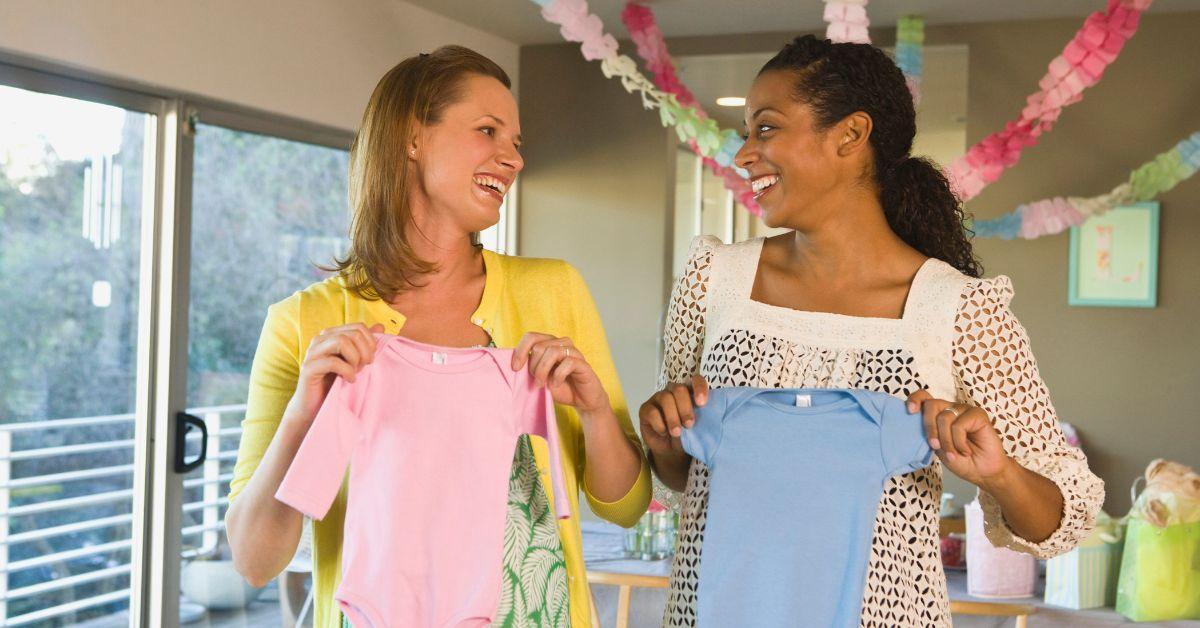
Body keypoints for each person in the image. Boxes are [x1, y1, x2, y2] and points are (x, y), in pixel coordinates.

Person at [639, 35, 1104, 627]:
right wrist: (663, 440)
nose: (743, 155)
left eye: (766, 129)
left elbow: (1063, 522)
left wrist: (999, 475)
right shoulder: (712, 281)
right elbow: (687, 476)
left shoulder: (961, 311)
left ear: (851, 136)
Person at [225, 45, 651, 628]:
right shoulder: (304, 323)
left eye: (517, 143)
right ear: (411, 136)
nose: (514, 159)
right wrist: (305, 413)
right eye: (487, 131)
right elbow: (253, 562)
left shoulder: (554, 292)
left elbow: (625, 506)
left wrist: (597, 411)